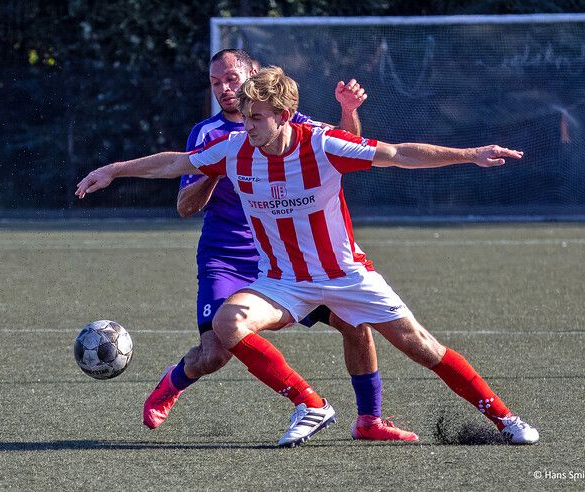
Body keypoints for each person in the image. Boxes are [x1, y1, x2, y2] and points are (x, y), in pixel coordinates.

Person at [76, 66, 540, 448]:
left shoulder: (321, 143)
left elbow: (399, 154)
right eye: (243, 115)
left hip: (345, 276)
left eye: (256, 117)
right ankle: (311, 403)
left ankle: (506, 420)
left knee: (425, 349)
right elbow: (176, 162)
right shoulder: (234, 148)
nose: (246, 125)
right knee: (226, 324)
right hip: (281, 281)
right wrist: (112, 170)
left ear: (283, 115)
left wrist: (471, 153)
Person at [145, 49, 417, 441]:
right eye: (216, 82)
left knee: (354, 322)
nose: (224, 89)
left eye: (232, 79)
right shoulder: (208, 136)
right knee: (215, 353)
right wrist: (219, 166)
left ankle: (369, 420)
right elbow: (185, 207)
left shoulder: (291, 122)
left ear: (253, 76)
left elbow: (350, 148)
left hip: (290, 259)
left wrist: (346, 109)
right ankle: (170, 385)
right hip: (228, 257)